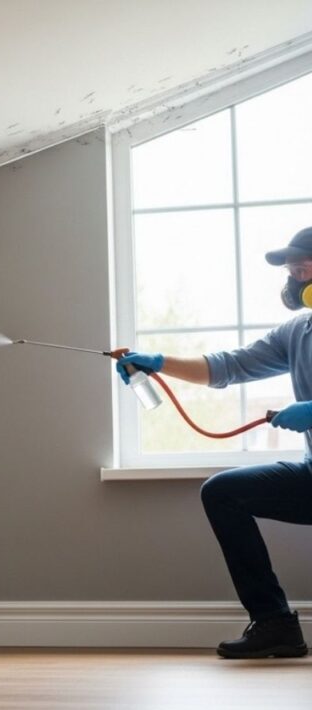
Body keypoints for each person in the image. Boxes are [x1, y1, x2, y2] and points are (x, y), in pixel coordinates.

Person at [118, 225, 312, 659]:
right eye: (294, 269)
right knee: (224, 493)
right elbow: (231, 366)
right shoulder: (298, 331)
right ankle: (274, 623)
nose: (298, 274)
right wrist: (159, 363)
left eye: (305, 264)